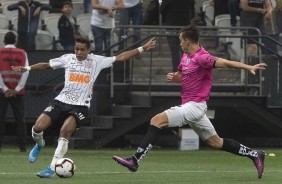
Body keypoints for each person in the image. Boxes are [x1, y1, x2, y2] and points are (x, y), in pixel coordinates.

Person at [112, 24, 267, 179]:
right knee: (216, 143)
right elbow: (182, 75)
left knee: (157, 120)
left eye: (181, 40)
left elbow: (225, 63)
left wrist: (249, 67)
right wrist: (176, 78)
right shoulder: (185, 56)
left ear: (187, 41)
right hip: (193, 108)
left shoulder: (202, 57)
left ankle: (135, 160)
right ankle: (255, 154)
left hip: (195, 106)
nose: (179, 44)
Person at [12, 36, 156, 178]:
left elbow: (120, 57)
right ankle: (39, 144)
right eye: (77, 49)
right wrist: (27, 68)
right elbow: (47, 65)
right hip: (61, 101)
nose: (79, 52)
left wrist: (142, 48)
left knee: (65, 132)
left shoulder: (97, 61)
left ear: (89, 50)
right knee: (37, 127)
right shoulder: (68, 58)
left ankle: (51, 168)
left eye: (82, 50)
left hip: (80, 105)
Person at [0, 31, 29, 152]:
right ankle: (22, 147)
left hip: (2, 92)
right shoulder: (22, 53)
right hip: (18, 93)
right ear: (15, 41)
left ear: (4, 41)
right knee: (20, 120)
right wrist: (17, 89)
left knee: (0, 119)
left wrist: (5, 89)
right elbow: (26, 71)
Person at [160, 0, 195, 71]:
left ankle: (176, 71)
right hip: (185, 25)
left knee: (174, 51)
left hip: (171, 24)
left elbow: (162, 9)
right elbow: (192, 10)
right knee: (185, 50)